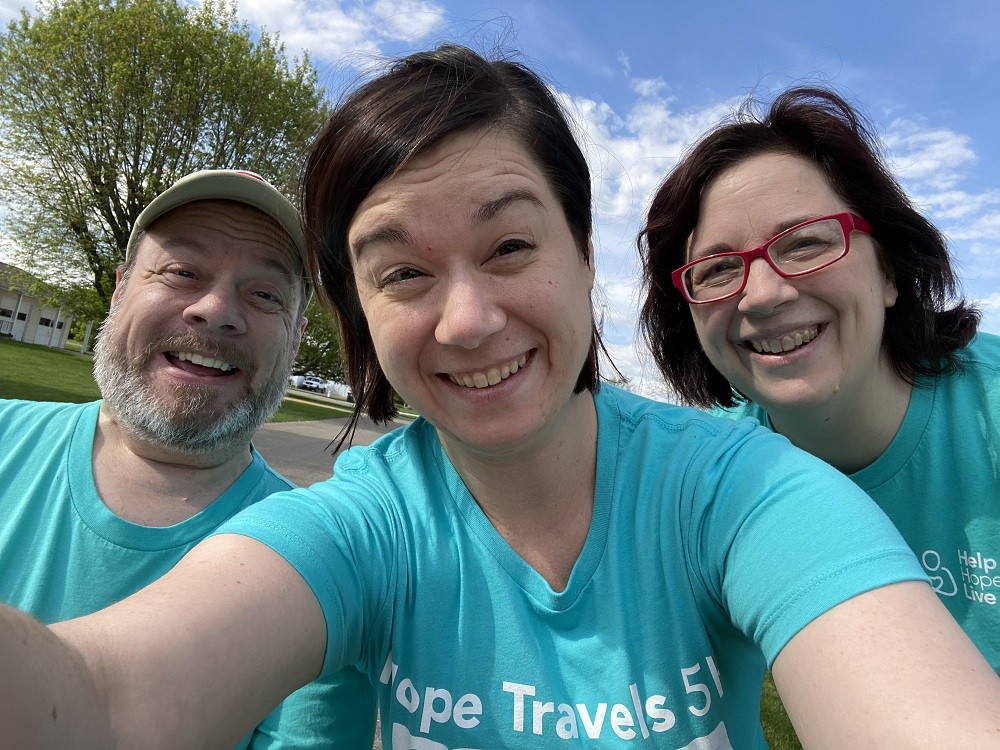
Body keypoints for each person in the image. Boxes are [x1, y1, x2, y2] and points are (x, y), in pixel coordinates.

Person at [4, 47, 1000, 750]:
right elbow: (104, 700)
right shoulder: (360, 524)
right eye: (402, 274)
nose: (468, 320)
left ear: (582, 258)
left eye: (510, 246)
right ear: (361, 319)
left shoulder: (740, 489)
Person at [0, 169, 375, 748]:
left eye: (264, 295)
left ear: (295, 339)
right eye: (182, 271)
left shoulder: (323, 576)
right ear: (121, 288)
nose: (217, 309)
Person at [638, 86, 999, 675]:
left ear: (890, 271)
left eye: (806, 243)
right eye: (719, 269)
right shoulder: (713, 476)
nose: (764, 294)